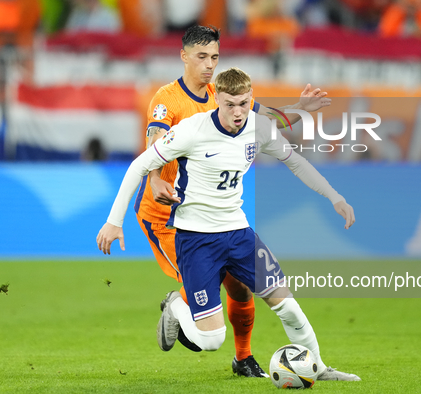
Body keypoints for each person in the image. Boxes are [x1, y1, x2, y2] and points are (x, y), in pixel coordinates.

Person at [97, 67, 360, 382]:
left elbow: (295, 161)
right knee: (211, 341)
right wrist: (114, 221)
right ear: (217, 100)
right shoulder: (192, 130)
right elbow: (140, 164)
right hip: (197, 240)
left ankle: (317, 367)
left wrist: (335, 196)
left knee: (286, 304)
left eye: (244, 104)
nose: (238, 112)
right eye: (230, 105)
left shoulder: (259, 128)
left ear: (251, 100)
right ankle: (175, 304)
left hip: (239, 235)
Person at [136, 25, 331, 378]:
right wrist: (152, 179)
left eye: (214, 57)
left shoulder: (222, 93)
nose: (209, 64)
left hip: (216, 217)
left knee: (240, 285)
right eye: (202, 57)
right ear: (184, 56)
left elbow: (265, 119)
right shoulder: (166, 100)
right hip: (167, 216)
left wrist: (300, 109)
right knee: (200, 329)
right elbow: (155, 141)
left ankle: (243, 358)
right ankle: (176, 304)